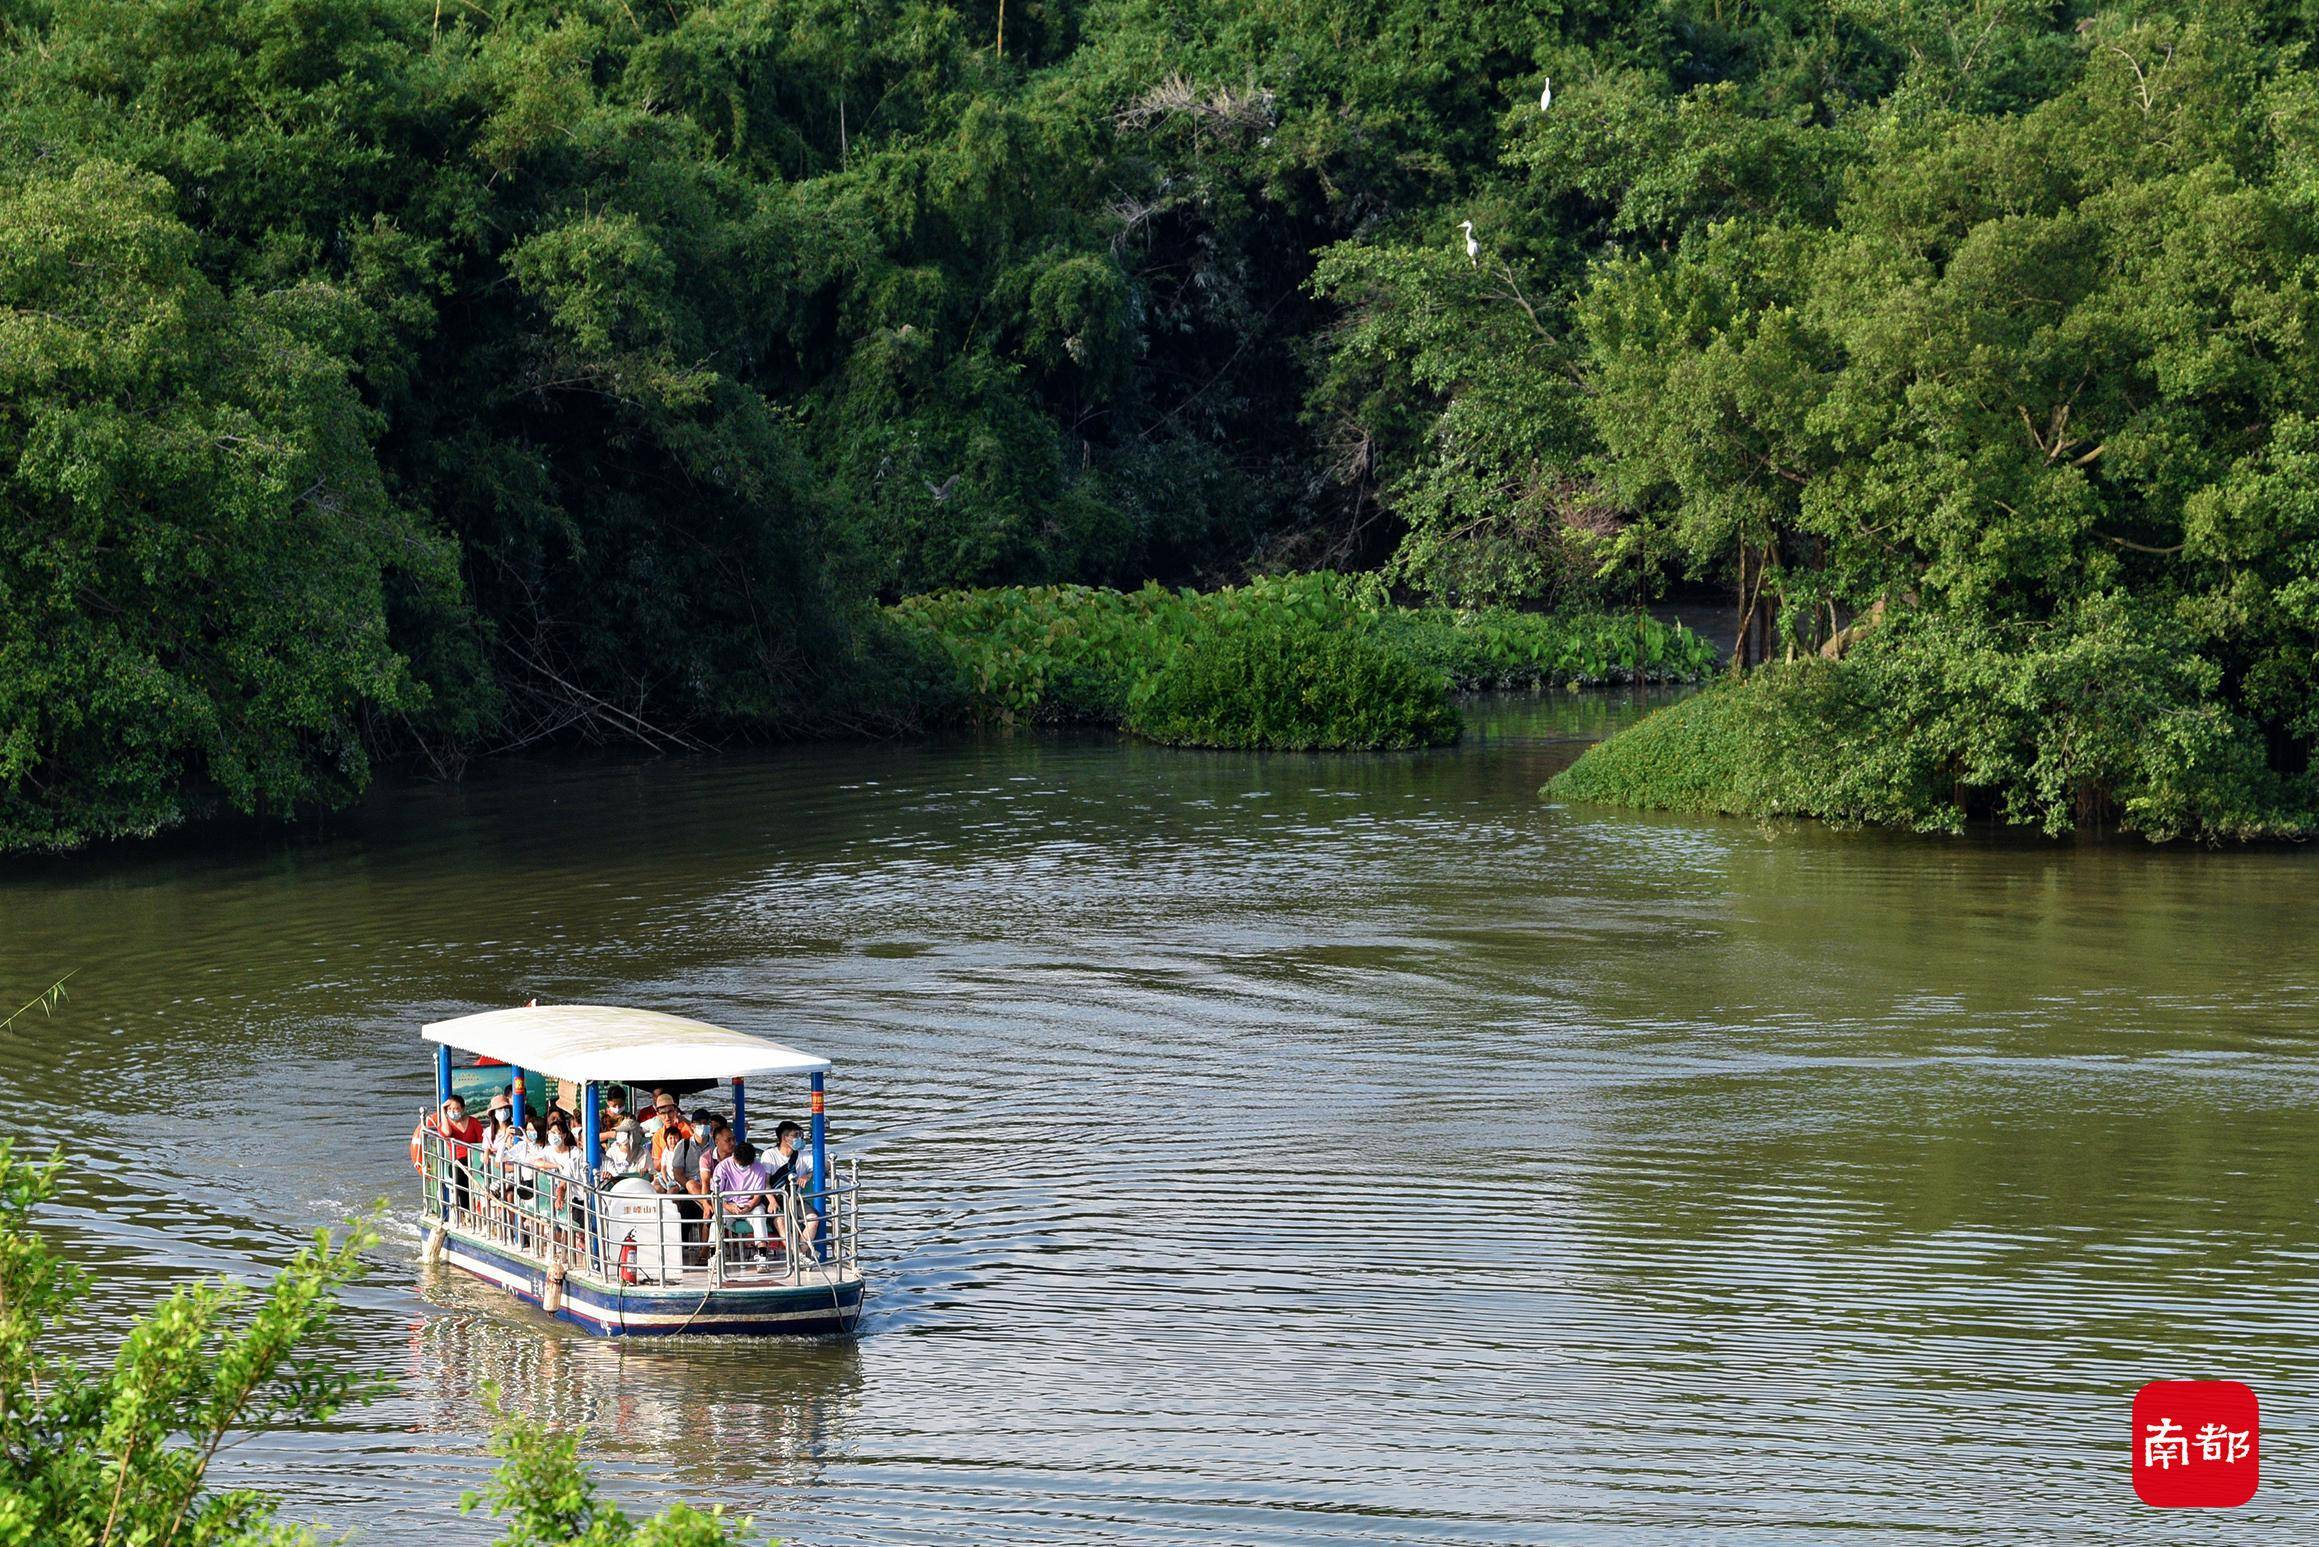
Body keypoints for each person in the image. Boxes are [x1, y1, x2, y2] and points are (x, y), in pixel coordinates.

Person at [709, 1141, 776, 1264]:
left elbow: (758, 1195)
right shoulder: (723, 1167)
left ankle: (762, 1255)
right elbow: (716, 1195)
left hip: (750, 1204)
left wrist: (749, 1206)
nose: (743, 1167)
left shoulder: (758, 1168)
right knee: (716, 1218)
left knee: (760, 1215)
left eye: (746, 1165)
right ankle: (713, 1255)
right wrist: (729, 1206)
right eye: (740, 1164)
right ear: (733, 1156)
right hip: (728, 1204)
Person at [766, 1121, 821, 1258]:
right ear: (785, 1138)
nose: (800, 1138)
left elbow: (823, 1166)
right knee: (780, 1221)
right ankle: (798, 1255)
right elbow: (765, 1183)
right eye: (796, 1135)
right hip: (777, 1201)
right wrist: (772, 1201)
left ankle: (799, 1254)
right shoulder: (769, 1155)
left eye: (800, 1134)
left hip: (795, 1201)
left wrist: (808, 1175)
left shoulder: (802, 1155)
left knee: (813, 1219)